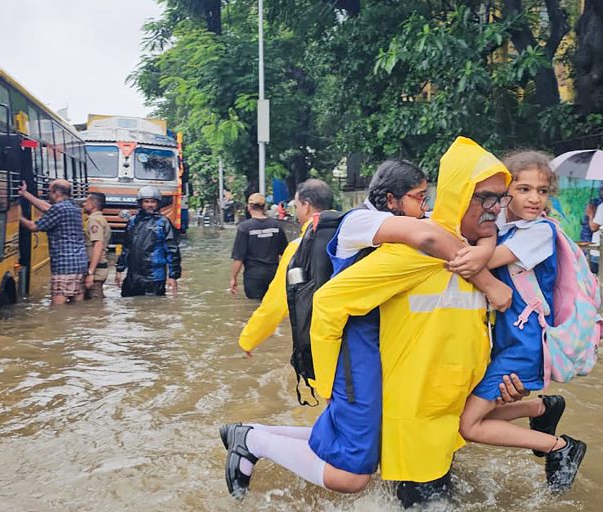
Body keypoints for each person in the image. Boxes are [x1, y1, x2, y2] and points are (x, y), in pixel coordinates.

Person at [223, 137, 520, 504]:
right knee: (352, 474)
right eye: (485, 198)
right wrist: (327, 381)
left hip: (440, 419)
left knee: (354, 446)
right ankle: (253, 438)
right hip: (394, 402)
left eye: (500, 198)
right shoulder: (396, 241)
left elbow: (476, 330)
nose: (495, 208)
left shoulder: (478, 254)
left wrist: (495, 384)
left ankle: (253, 435)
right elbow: (320, 301)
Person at [450, 150, 588, 493]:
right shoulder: (505, 227)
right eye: (523, 189)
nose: (534, 198)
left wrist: (476, 241)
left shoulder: (538, 231)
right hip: (503, 339)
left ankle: (560, 447)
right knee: (465, 417)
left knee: (468, 426)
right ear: (504, 192)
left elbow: (479, 262)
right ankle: (542, 407)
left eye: (542, 191)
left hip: (525, 343)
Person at [18, 179, 87, 305]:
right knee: (77, 307)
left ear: (56, 193)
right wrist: (25, 193)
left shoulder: (59, 209)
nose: (48, 194)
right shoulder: (74, 207)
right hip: (79, 264)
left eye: (49, 191)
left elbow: (33, 226)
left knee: (58, 309)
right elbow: (47, 208)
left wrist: (17, 216)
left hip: (64, 266)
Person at [115, 186, 181, 297]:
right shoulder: (132, 222)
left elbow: (172, 250)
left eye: (153, 202)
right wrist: (119, 269)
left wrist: (173, 276)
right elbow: (126, 248)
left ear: (158, 203)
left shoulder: (163, 222)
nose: (150, 204)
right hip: (133, 275)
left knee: (154, 306)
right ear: (140, 203)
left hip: (155, 276)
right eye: (146, 201)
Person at [229, 193, 289, 300]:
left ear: (249, 207)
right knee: (272, 305)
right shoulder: (276, 226)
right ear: (264, 207)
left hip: (253, 277)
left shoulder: (244, 228)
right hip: (273, 275)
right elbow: (286, 253)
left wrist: (233, 278)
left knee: (253, 308)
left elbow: (239, 258)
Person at [83, 192, 111, 299]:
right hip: (98, 270)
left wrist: (90, 273)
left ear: (93, 204)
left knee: (95, 305)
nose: (84, 204)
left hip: (96, 272)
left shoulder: (94, 220)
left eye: (86, 201)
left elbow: (98, 245)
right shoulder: (100, 219)